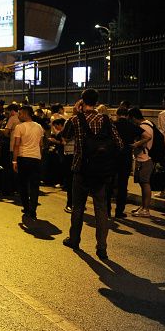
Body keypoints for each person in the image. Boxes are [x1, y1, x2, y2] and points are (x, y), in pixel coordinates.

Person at [62, 89, 123, 260]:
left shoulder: (75, 119)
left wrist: (75, 113)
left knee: (78, 207)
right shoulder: (106, 119)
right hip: (101, 171)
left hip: (81, 169)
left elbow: (65, 136)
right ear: (97, 102)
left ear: (82, 101)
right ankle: (102, 248)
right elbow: (119, 143)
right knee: (101, 209)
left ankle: (74, 239)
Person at [12, 106, 44, 219]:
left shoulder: (19, 127)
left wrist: (14, 160)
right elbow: (41, 145)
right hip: (36, 158)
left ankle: (26, 207)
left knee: (23, 184)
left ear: (26, 114)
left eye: (20, 114)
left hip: (23, 157)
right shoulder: (39, 127)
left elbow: (16, 145)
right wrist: (40, 157)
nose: (19, 116)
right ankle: (33, 210)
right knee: (35, 186)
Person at [112, 107, 144, 218]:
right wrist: (136, 144)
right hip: (125, 157)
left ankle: (106, 210)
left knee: (109, 183)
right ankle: (119, 211)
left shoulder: (113, 125)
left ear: (117, 114)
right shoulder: (132, 126)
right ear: (127, 115)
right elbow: (147, 136)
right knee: (122, 184)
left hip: (113, 157)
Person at [128, 108, 154, 217]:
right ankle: (143, 206)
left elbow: (146, 139)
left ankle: (146, 209)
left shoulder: (143, 127)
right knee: (143, 183)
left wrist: (136, 144)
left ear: (133, 117)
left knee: (145, 183)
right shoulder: (149, 123)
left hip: (145, 157)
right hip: (145, 157)